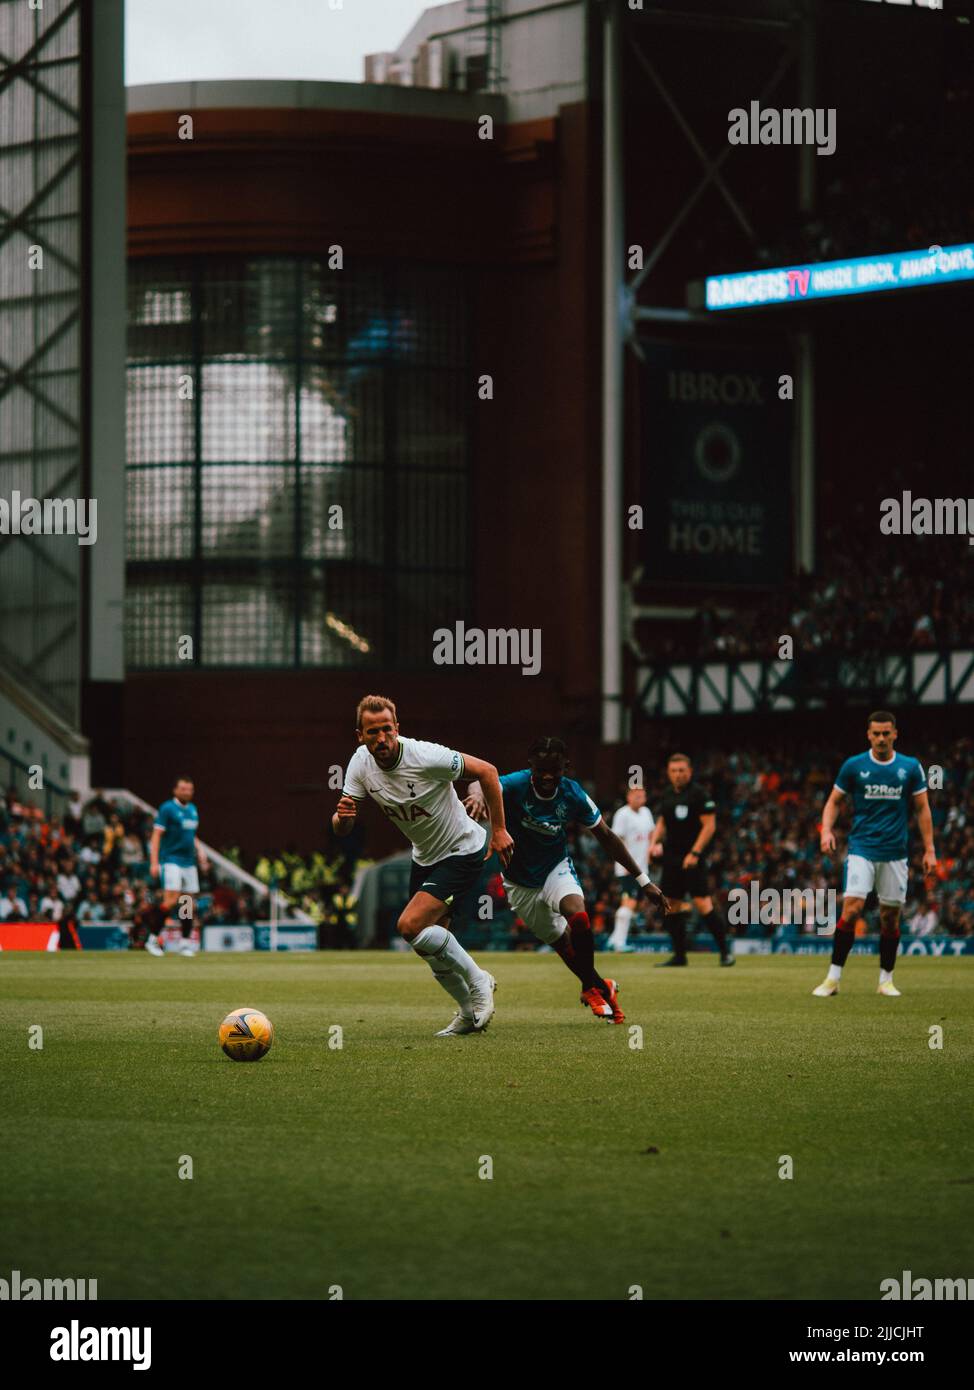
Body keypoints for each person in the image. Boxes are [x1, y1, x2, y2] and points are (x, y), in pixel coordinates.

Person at [332, 694, 512, 1037]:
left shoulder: (425, 755)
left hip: (462, 849)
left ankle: (480, 981)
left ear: (397, 728)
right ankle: (466, 1012)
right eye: (373, 732)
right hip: (425, 856)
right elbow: (343, 826)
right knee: (429, 943)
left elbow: (488, 772)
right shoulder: (359, 763)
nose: (381, 738)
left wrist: (499, 830)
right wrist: (342, 819)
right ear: (360, 735)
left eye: (387, 729)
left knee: (409, 926)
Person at [465, 737, 673, 1024]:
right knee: (562, 943)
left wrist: (643, 880)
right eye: (541, 772)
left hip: (555, 867)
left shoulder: (573, 794)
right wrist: (477, 794)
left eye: (555, 771)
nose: (548, 777)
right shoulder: (515, 784)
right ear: (530, 767)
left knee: (578, 914)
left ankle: (590, 988)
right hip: (519, 882)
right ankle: (601, 986)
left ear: (566, 767)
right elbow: (481, 780)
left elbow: (608, 838)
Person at [814, 711, 935, 997]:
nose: (881, 738)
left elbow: (922, 809)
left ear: (895, 733)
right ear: (868, 735)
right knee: (852, 908)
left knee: (890, 917)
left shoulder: (910, 767)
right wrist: (826, 831)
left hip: (895, 853)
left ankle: (885, 980)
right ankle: (832, 979)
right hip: (862, 849)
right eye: (876, 733)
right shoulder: (854, 766)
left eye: (886, 733)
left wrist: (930, 848)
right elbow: (833, 802)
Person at [648, 753, 735, 967]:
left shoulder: (699, 795)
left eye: (682, 771)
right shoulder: (667, 795)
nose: (678, 775)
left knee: (703, 903)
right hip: (671, 858)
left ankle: (725, 952)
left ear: (690, 772)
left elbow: (710, 826)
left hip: (693, 859)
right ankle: (679, 956)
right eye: (674, 771)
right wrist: (653, 843)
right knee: (671, 905)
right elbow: (662, 822)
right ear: (669, 773)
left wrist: (695, 853)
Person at [147, 776, 210, 957]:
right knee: (171, 900)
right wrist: (154, 862)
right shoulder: (167, 808)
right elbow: (157, 835)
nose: (187, 792)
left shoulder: (192, 809)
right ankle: (152, 939)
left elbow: (191, 835)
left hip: (189, 862)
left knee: (187, 903)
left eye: (189, 789)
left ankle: (184, 943)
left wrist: (201, 851)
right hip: (171, 860)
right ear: (175, 790)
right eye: (183, 789)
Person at [607, 786, 655, 952]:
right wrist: (624, 863)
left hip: (642, 868)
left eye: (642, 795)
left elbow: (651, 834)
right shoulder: (622, 814)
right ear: (629, 797)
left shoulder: (646, 813)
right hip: (627, 868)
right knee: (629, 902)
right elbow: (616, 840)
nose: (640, 798)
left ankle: (613, 939)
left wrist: (653, 848)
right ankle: (619, 944)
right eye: (636, 795)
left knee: (637, 904)